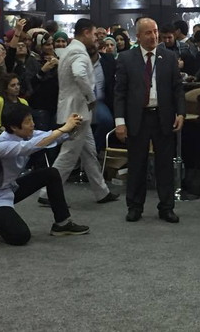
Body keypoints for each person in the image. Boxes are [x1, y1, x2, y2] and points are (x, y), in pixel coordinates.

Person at [0, 104, 89, 245]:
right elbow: (32, 146)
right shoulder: (1, 145)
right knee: (20, 237)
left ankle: (62, 223)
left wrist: (72, 127)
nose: (32, 124)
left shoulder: (26, 134)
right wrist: (64, 128)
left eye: (31, 119)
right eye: (28, 121)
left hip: (9, 187)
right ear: (14, 127)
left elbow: (50, 137)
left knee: (51, 173)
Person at [38, 18, 119, 205]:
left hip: (74, 111)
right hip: (77, 112)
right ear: (86, 32)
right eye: (94, 34)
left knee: (89, 153)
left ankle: (101, 191)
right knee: (68, 154)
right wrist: (91, 98)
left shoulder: (69, 50)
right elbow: (79, 74)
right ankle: (47, 193)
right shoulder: (78, 52)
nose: (96, 38)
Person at [115, 17, 185, 223]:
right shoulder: (126, 58)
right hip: (138, 118)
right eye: (148, 32)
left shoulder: (169, 57)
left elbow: (177, 89)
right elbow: (119, 93)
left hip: (163, 117)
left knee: (165, 165)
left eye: (155, 32)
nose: (154, 36)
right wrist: (120, 122)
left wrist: (181, 113)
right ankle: (135, 206)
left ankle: (167, 207)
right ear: (138, 36)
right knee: (137, 164)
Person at [0, 73, 28, 137]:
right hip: (3, 136)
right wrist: (6, 131)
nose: (17, 87)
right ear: (5, 88)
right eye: (13, 85)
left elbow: (27, 121)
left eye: (18, 84)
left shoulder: (24, 102)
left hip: (21, 136)